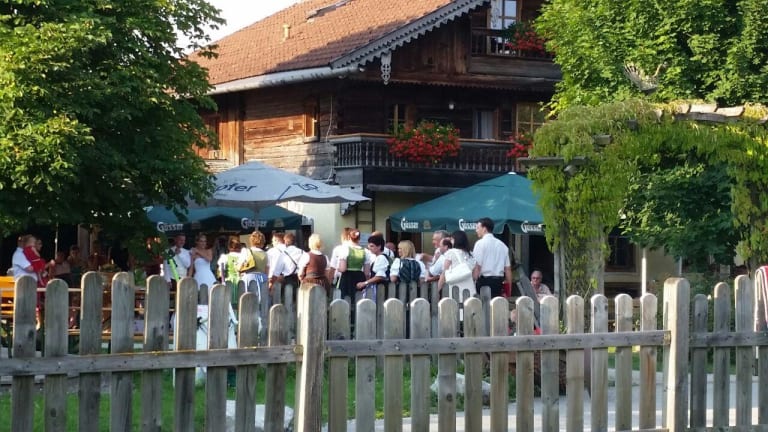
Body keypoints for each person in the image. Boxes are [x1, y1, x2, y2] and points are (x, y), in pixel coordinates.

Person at [472, 217, 512, 298]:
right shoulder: (502, 245)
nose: (476, 230)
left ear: (484, 229)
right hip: (498, 283)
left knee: (484, 305)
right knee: (496, 304)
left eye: (478, 228)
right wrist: (509, 289)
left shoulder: (480, 244)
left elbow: (477, 266)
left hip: (484, 282)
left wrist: (473, 282)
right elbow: (507, 269)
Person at [336, 228, 372, 301]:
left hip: (347, 278)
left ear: (349, 237)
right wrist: (365, 282)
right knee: (359, 300)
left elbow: (343, 269)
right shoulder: (365, 251)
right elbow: (367, 273)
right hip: (359, 278)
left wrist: (338, 268)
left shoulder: (345, 249)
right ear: (359, 238)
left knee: (346, 300)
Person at [437, 230, 477, 296]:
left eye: (452, 239)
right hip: (469, 289)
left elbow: (444, 273)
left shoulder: (451, 253)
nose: (451, 242)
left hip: (455, 289)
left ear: (456, 240)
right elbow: (475, 276)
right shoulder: (471, 255)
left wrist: (438, 289)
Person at [239, 230, 269, 296]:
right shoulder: (266, 254)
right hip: (262, 278)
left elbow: (239, 266)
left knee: (247, 298)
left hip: (249, 277)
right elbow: (267, 270)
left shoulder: (246, 251)